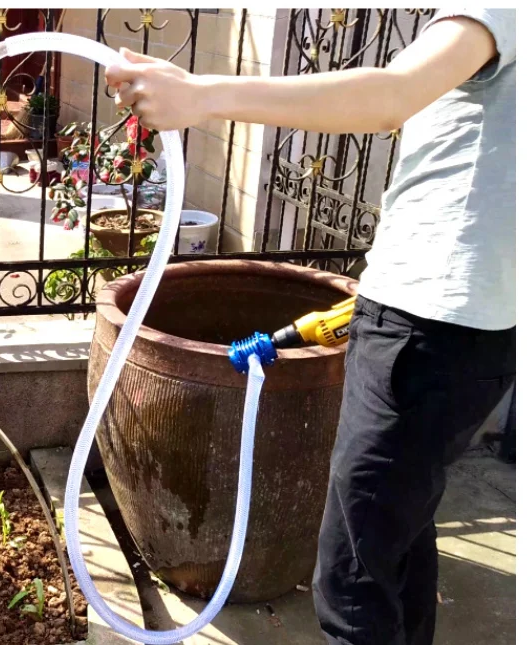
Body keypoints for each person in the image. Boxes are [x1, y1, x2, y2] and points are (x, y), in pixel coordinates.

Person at [106, 9, 515, 645]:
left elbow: (390, 96)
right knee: (398, 534)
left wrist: (202, 94)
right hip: (479, 325)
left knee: (354, 579)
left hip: (427, 323)